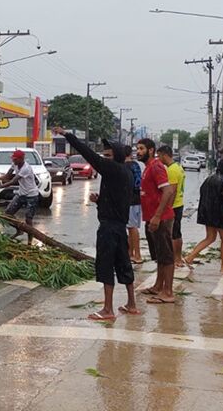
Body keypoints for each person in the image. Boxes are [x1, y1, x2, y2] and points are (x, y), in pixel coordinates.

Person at [64, 133, 140, 320]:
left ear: (117, 157)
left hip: (109, 228)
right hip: (120, 227)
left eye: (108, 156)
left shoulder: (113, 169)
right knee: (124, 264)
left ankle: (108, 309)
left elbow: (88, 154)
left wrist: (68, 136)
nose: (105, 159)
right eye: (104, 155)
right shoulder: (126, 173)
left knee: (106, 265)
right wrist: (100, 201)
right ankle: (131, 304)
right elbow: (119, 199)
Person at [184, 157, 223, 273]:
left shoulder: (209, 179)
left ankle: (190, 257)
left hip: (208, 214)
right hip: (221, 215)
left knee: (210, 237)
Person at [136, 138, 177, 304]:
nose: (138, 152)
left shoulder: (156, 167)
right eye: (137, 148)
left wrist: (158, 216)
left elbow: (168, 191)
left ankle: (168, 292)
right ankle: (158, 286)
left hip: (161, 219)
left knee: (166, 255)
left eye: (141, 149)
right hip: (152, 218)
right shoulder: (147, 168)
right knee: (159, 254)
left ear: (151, 150)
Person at [0, 149, 39, 233]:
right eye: (13, 159)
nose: (13, 161)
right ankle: (19, 229)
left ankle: (30, 239)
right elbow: (7, 176)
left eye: (15, 159)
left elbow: (13, 181)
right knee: (8, 213)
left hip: (31, 195)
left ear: (21, 159)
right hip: (21, 193)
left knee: (28, 218)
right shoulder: (14, 164)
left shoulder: (26, 168)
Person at [157, 146, 186, 267]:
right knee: (177, 232)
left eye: (159, 156)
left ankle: (175, 259)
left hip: (174, 205)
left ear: (165, 155)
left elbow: (171, 191)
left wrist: (167, 209)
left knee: (173, 234)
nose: (158, 159)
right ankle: (178, 258)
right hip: (179, 203)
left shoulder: (172, 170)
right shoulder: (178, 166)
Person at [125, 150, 144, 264]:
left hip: (130, 201)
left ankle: (137, 255)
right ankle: (130, 253)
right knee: (131, 227)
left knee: (132, 228)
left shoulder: (125, 166)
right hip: (137, 200)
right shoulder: (135, 165)